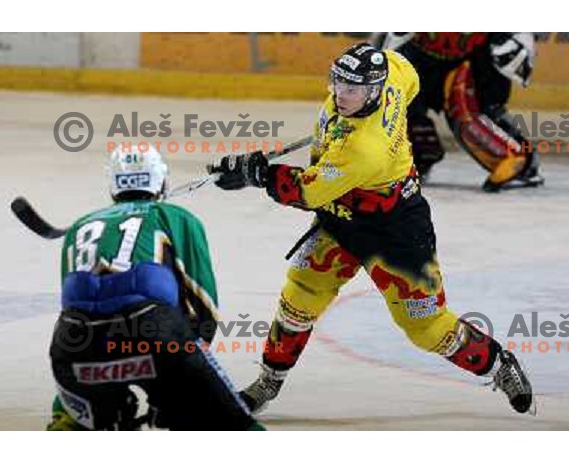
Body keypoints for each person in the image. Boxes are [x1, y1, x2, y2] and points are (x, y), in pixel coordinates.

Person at [212, 42, 533, 416]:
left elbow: (307, 191)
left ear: (374, 90)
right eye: (338, 82)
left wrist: (256, 173)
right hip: (341, 218)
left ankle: (499, 364)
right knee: (299, 296)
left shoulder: (365, 148)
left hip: (395, 233)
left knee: (426, 328)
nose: (341, 94)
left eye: (353, 89)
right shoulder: (394, 71)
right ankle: (269, 381)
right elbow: (412, 77)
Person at [47, 146, 262, 431]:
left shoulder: (79, 228)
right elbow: (203, 305)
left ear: (113, 185)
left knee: (71, 421)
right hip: (154, 336)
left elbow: (72, 303)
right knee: (234, 426)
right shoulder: (176, 217)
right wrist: (186, 373)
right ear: (162, 181)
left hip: (73, 344)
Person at [381, 32, 543, 191]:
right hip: (420, 53)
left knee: (467, 111)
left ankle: (520, 161)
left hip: (475, 58)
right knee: (394, 101)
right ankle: (416, 156)